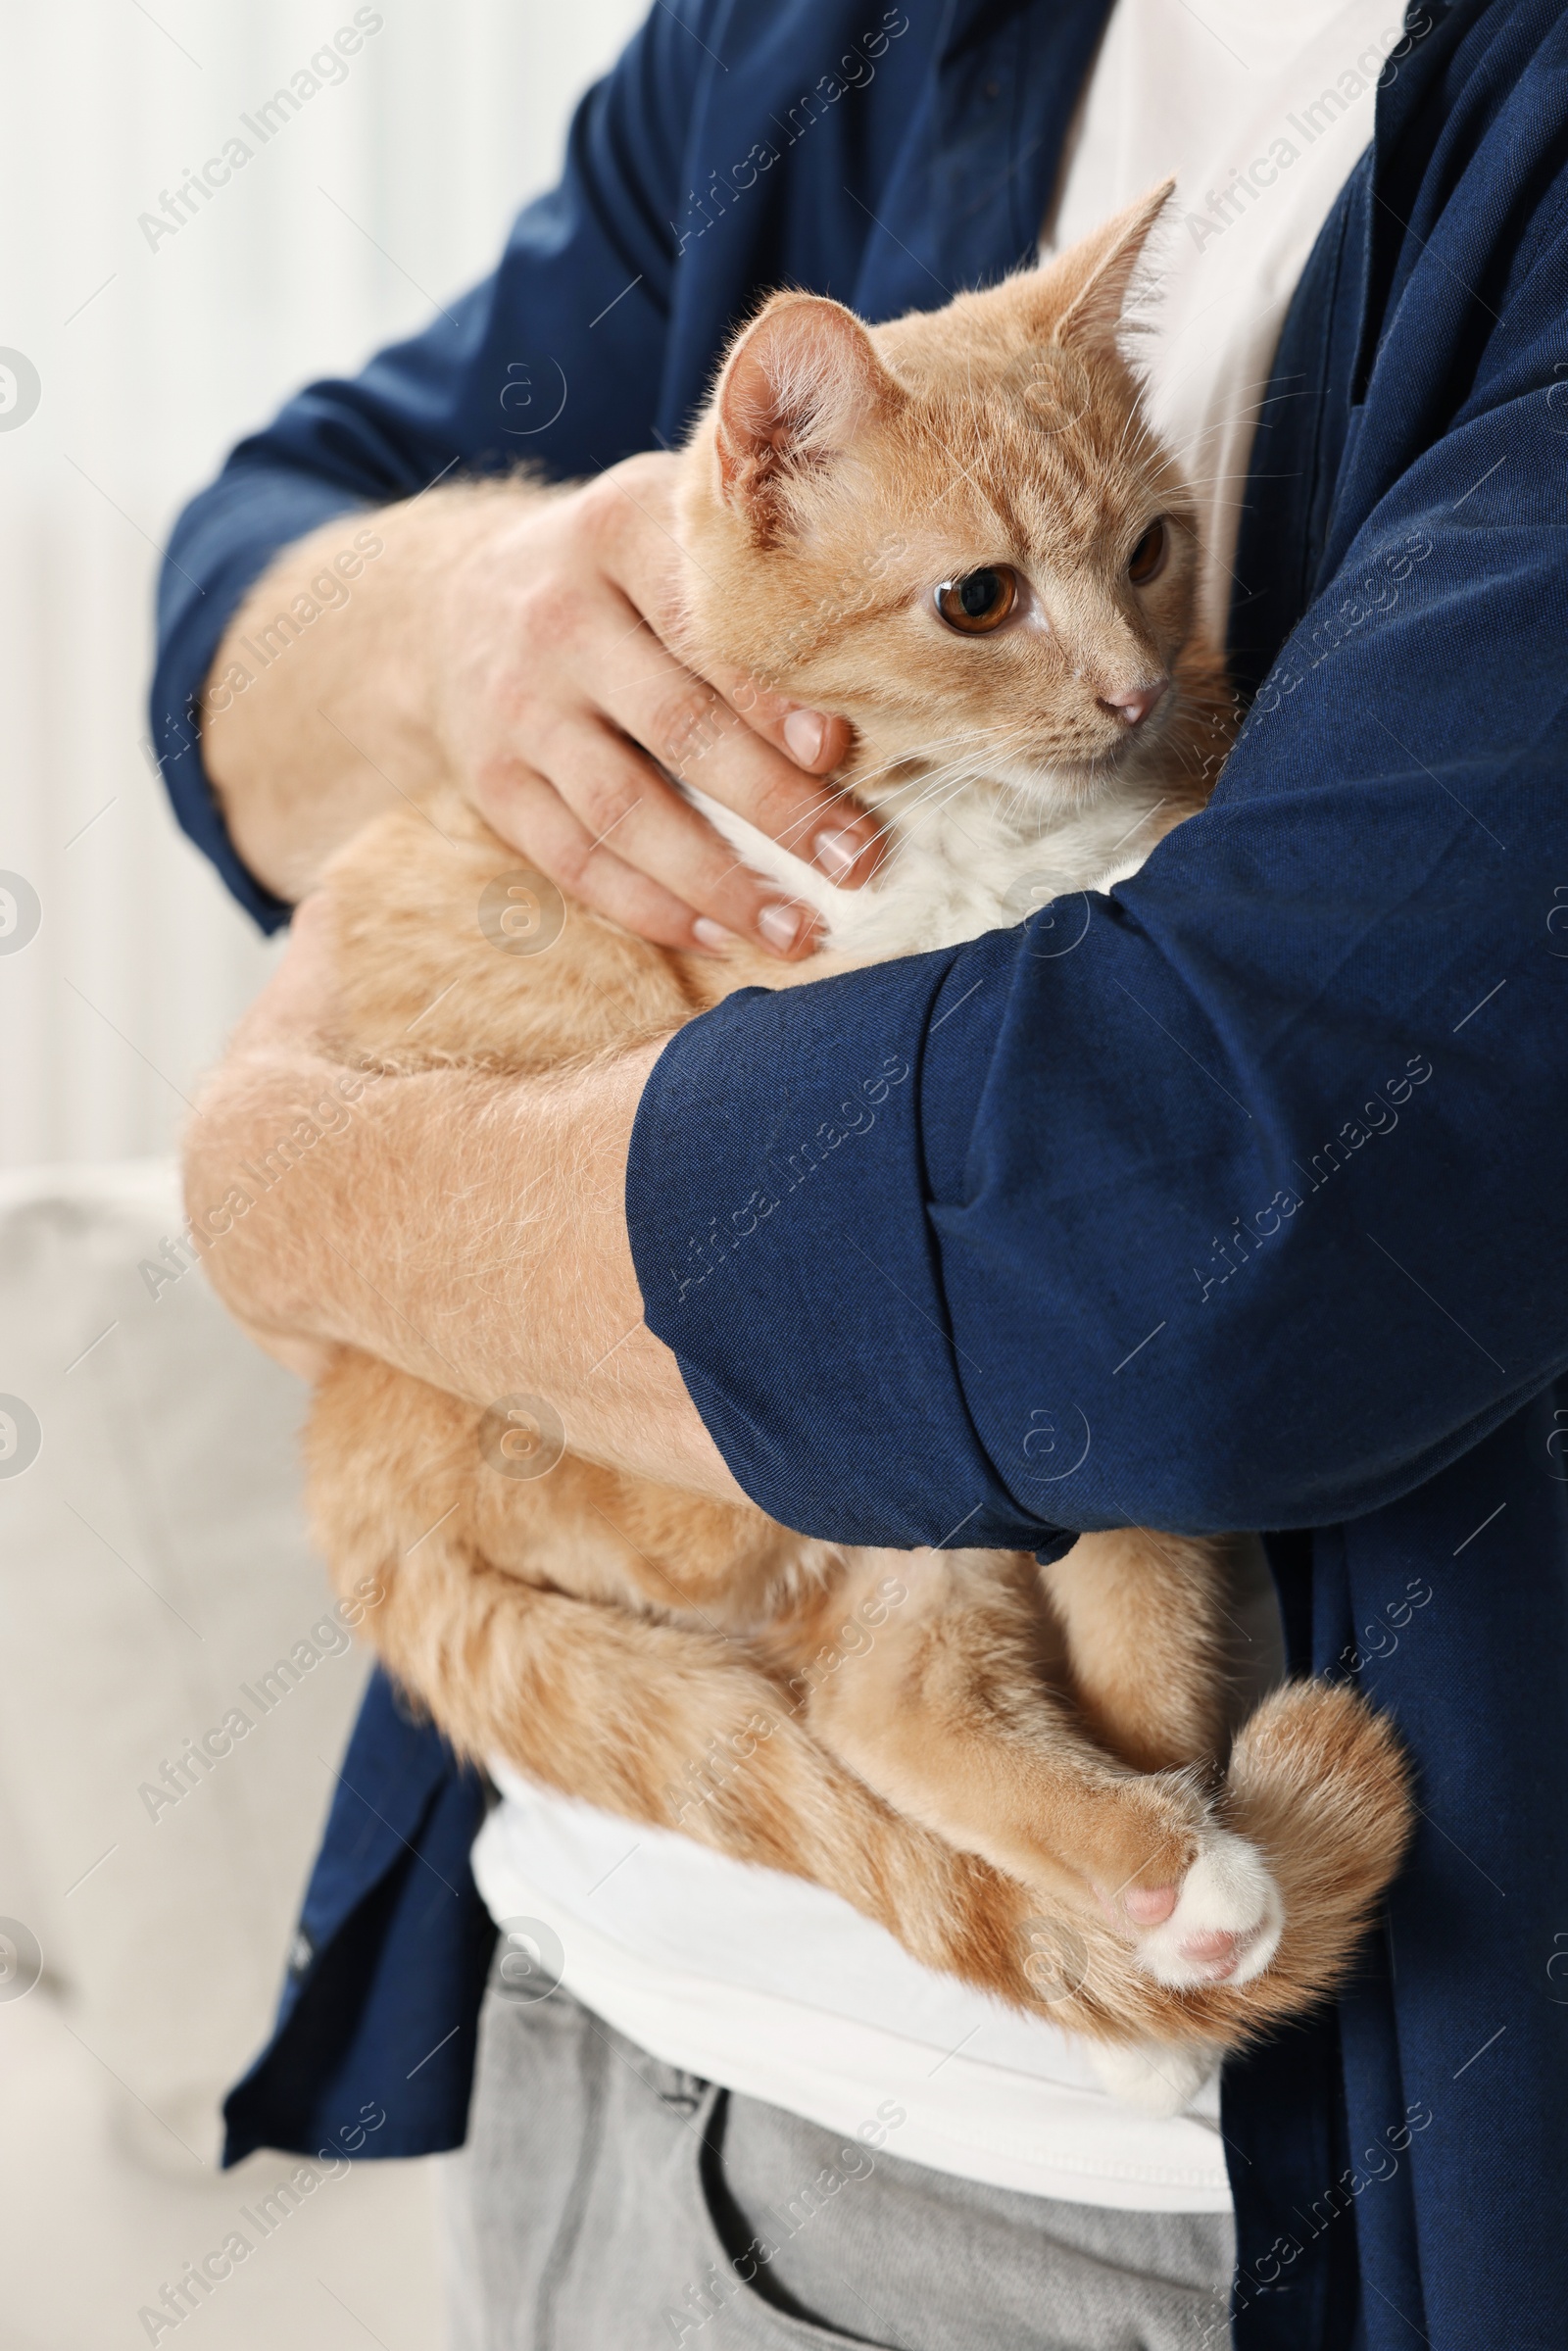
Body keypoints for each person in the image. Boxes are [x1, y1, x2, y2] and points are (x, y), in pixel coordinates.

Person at [155, 1, 1568, 2344]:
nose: (1123, 670)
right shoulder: (829, 33)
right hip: (573, 2016)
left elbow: (1189, 1238)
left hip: (1104, 2216)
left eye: (1139, 560)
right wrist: (461, 615)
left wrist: (310, 1196)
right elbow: (252, 563)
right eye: (1012, 602)